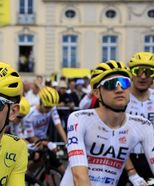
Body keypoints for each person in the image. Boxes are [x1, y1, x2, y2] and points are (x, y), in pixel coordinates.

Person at [60, 60, 154, 186]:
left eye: (125, 83)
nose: (119, 89)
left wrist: (134, 175)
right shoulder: (79, 119)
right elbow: (79, 177)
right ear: (97, 93)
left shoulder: (143, 125)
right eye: (111, 84)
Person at [118, 52, 154, 186]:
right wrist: (131, 171)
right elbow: (115, 135)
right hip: (122, 159)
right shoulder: (121, 97)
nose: (143, 76)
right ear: (131, 74)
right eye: (137, 70)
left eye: (149, 72)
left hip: (149, 159)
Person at [23, 86, 67, 174]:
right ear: (40, 102)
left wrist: (67, 142)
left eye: (50, 108)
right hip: (31, 140)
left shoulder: (51, 106)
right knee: (37, 159)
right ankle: (25, 176)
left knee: (61, 169)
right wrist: (48, 144)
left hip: (43, 138)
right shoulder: (29, 115)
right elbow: (31, 137)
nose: (49, 110)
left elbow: (58, 124)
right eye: (47, 107)